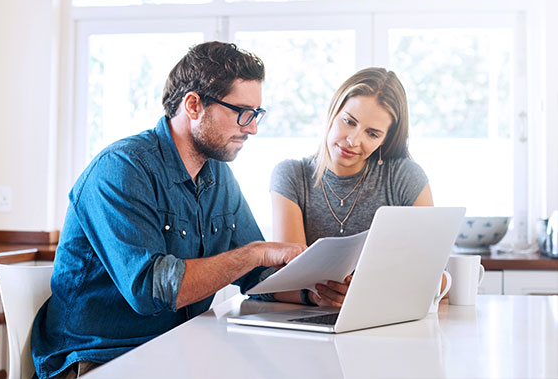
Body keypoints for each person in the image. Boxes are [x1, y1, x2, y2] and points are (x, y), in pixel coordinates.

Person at [31, 41, 306, 379]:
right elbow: (151, 290)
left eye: (256, 114)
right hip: (98, 358)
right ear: (193, 105)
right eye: (242, 112)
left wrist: (313, 290)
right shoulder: (121, 168)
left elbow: (256, 275)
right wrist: (256, 254)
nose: (252, 128)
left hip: (176, 348)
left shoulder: (217, 175)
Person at [270, 67, 433, 308]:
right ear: (333, 111)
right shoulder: (292, 176)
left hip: (383, 319)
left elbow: (433, 277)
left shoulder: (404, 177)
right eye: (349, 121)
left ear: (385, 140)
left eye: (372, 133)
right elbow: (289, 278)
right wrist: (318, 296)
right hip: (312, 322)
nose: (353, 141)